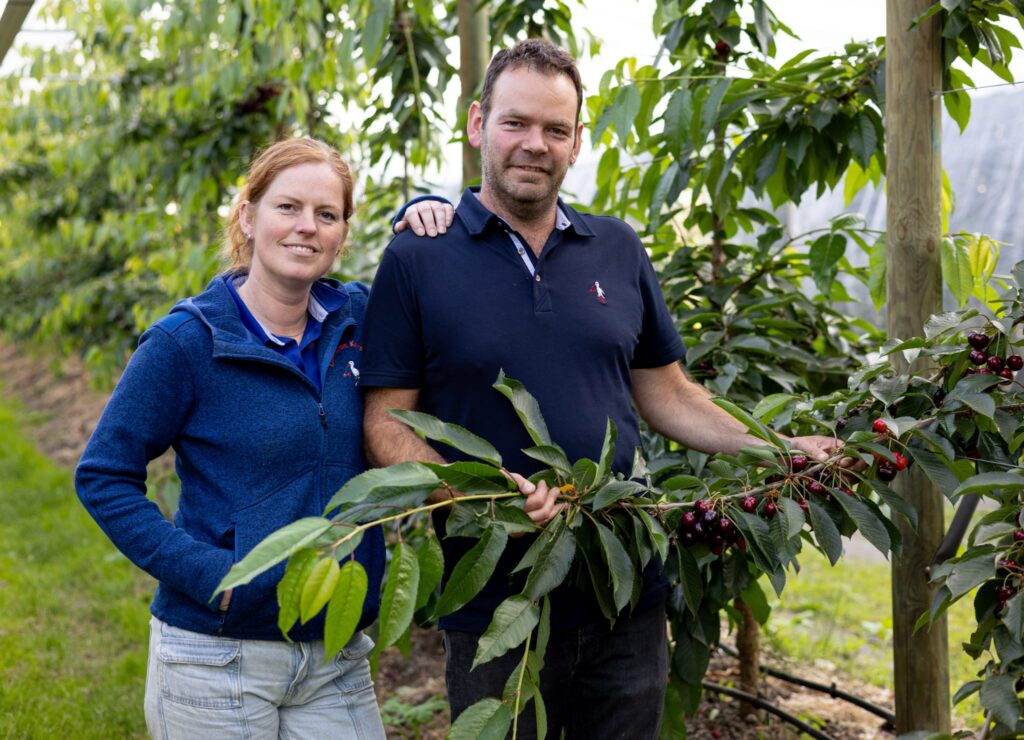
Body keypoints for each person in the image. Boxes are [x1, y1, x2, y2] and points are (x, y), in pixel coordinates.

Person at [360, 39, 851, 738]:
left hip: (623, 592)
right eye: (516, 124)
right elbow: (384, 421)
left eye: (555, 130)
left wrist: (779, 449)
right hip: (497, 604)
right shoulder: (419, 256)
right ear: (477, 125)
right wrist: (474, 492)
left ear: (577, 140)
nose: (536, 145)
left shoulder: (617, 248)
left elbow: (671, 394)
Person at [74, 138, 452, 739]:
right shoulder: (187, 343)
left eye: (327, 215)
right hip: (217, 654)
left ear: (342, 234)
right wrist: (212, 577)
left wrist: (428, 212)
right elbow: (102, 475)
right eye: (288, 208)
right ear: (248, 216)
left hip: (334, 649)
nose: (307, 227)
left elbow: (429, 298)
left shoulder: (357, 317)